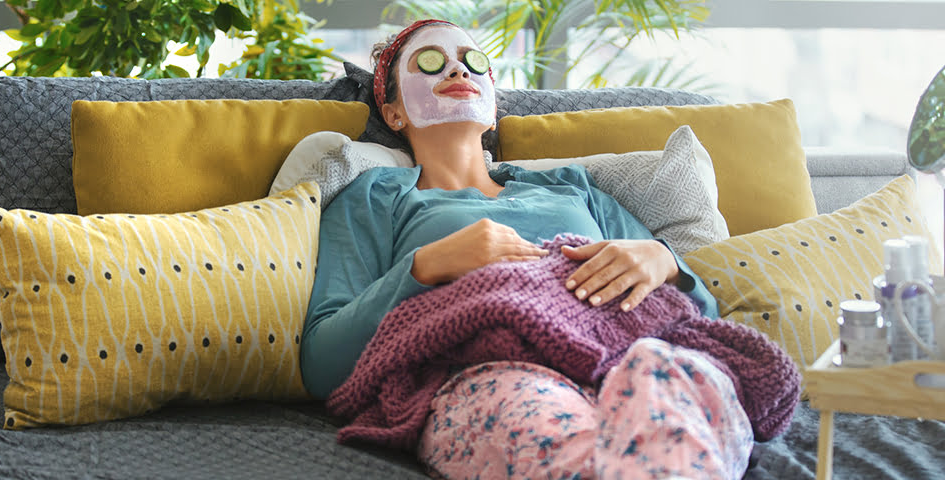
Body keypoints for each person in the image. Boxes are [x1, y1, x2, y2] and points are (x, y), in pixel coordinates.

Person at [302, 19, 754, 480]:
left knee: (671, 376)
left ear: (493, 106)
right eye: (431, 62)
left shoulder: (574, 190)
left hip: (631, 355)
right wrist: (426, 265)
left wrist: (666, 263)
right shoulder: (377, 197)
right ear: (394, 112)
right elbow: (322, 363)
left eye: (473, 63)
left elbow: (703, 320)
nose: (459, 71)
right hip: (496, 374)